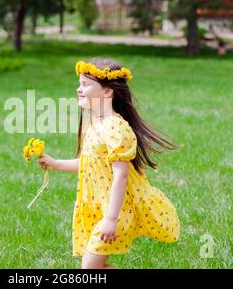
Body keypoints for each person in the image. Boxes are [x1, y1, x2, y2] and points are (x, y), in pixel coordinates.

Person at [38, 58, 181, 269]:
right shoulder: (96, 123)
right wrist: (55, 163)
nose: (79, 89)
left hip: (117, 211)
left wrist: (111, 219)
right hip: (104, 209)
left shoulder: (115, 128)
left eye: (86, 85)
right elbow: (89, 164)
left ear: (107, 92)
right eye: (79, 84)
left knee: (89, 268)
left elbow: (121, 175)